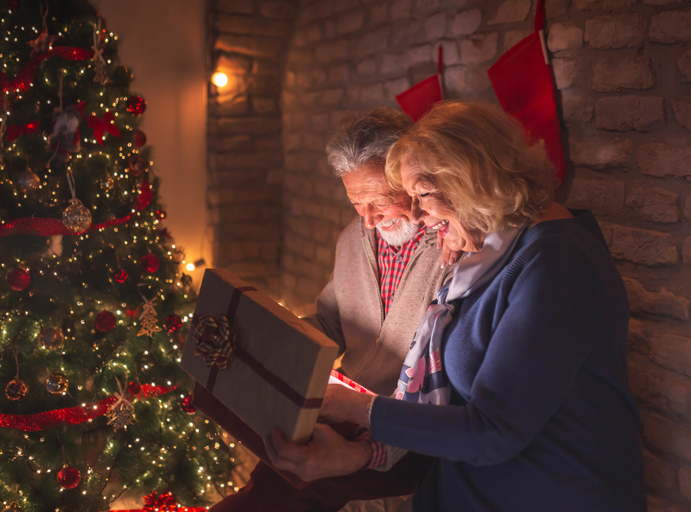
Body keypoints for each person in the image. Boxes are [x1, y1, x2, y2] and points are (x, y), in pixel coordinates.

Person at [266, 101, 647, 512]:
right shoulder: (488, 257)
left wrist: (358, 409)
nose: (419, 216)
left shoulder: (558, 263)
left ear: (471, 177)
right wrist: (362, 454)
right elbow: (441, 401)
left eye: (422, 196)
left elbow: (491, 429)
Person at [211, 108, 457, 512]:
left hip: (396, 420)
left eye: (379, 201)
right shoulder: (352, 239)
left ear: (412, 178)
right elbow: (327, 321)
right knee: (270, 471)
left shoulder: (449, 245)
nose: (369, 218)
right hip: (340, 405)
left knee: (280, 491)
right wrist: (273, 343)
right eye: (356, 202)